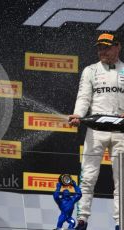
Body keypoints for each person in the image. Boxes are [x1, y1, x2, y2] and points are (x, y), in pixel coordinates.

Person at [68, 33, 124, 230]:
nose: (102, 51)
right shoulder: (90, 71)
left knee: (122, 180)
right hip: (96, 130)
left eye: (107, 47)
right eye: (100, 47)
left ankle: (120, 223)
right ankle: (81, 220)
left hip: (121, 133)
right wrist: (77, 115)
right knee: (88, 176)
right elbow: (83, 97)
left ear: (117, 47)